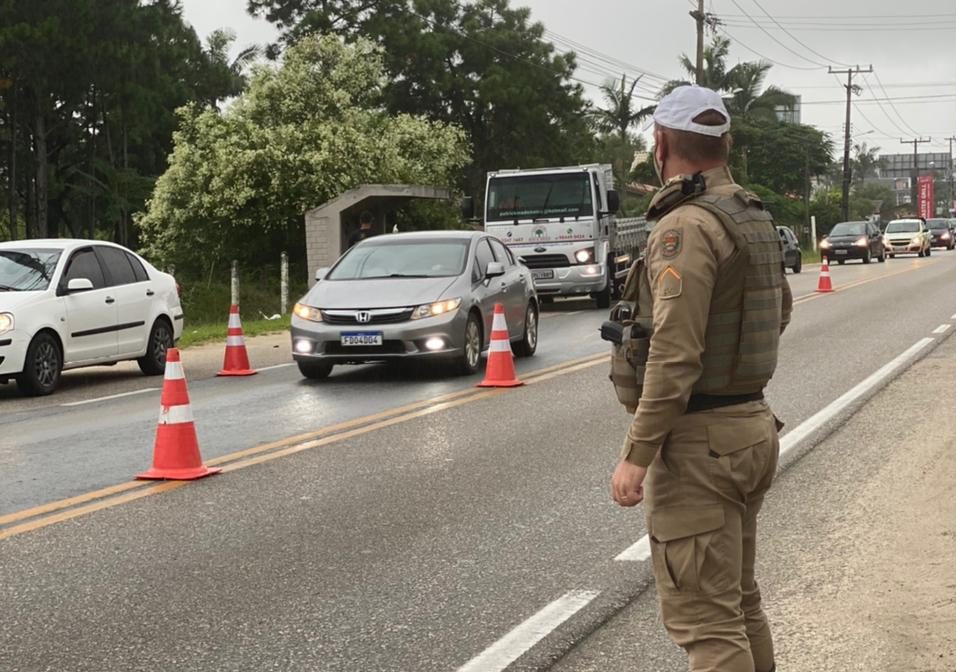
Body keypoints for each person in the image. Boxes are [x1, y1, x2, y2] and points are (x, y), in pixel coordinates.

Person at [609, 85, 792, 672]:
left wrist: (637, 453)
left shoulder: (684, 227)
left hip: (700, 444)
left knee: (709, 627)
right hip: (750, 427)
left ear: (661, 144)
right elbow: (779, 309)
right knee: (738, 606)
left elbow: (674, 351)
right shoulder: (753, 215)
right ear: (725, 143)